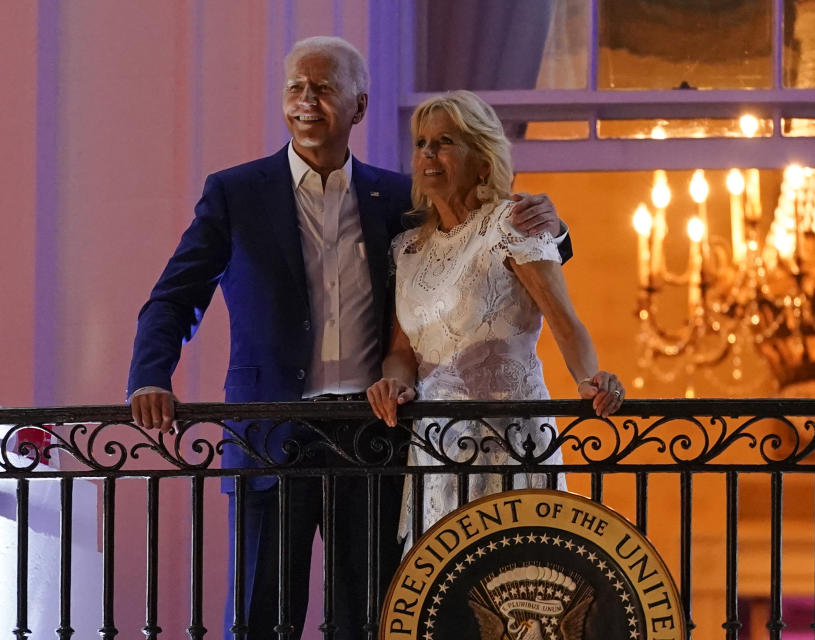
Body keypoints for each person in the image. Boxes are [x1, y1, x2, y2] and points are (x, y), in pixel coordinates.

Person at [127, 38, 565, 639]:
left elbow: (474, 244)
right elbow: (174, 297)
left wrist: (556, 229)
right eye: (295, 88)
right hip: (268, 434)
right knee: (260, 616)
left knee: (366, 618)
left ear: (358, 107)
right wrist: (151, 377)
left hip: (372, 435)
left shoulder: (396, 200)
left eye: (324, 88)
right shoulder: (235, 193)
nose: (306, 101)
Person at [366, 90, 624, 548]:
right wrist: (395, 383)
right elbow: (402, 352)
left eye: (444, 141)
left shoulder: (511, 223)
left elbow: (564, 320)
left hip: (513, 441)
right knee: (441, 597)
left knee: (519, 587)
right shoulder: (406, 250)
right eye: (421, 143)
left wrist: (590, 378)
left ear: (482, 161)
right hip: (436, 447)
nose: (428, 153)